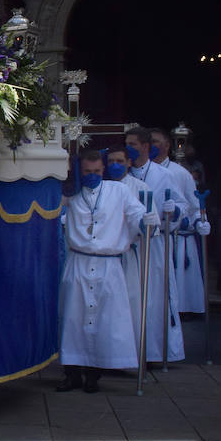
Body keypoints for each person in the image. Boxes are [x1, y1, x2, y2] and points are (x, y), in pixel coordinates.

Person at [57, 148, 160, 392]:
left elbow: (136, 213)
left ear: (102, 170)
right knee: (73, 319)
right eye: (87, 172)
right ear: (80, 172)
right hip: (79, 262)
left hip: (108, 264)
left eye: (96, 171)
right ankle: (72, 375)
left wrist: (145, 221)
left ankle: (94, 376)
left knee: (105, 321)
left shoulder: (119, 191)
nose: (92, 176)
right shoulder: (71, 194)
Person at [125, 127, 188, 364]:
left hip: (154, 243)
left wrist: (176, 211)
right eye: (126, 143)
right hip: (130, 245)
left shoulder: (163, 175)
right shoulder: (123, 176)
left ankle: (153, 351)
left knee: (153, 299)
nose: (129, 147)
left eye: (133, 143)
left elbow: (182, 207)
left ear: (145, 146)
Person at [150, 129, 208, 314]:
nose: (152, 145)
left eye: (156, 141)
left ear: (167, 145)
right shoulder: (144, 171)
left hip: (177, 235)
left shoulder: (180, 172)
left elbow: (193, 203)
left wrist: (197, 221)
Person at [105, 145, 152, 341]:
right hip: (107, 257)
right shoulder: (102, 188)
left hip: (131, 255)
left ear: (129, 163)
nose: (115, 165)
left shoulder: (141, 188)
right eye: (111, 162)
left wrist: (145, 223)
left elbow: (152, 225)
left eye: (120, 162)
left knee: (131, 304)